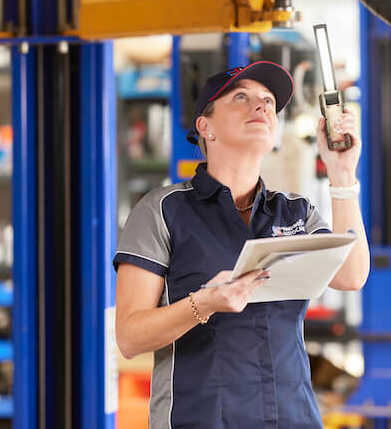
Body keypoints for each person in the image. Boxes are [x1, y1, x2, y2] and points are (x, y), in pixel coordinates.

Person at [114, 60, 370, 429]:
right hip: (200, 419)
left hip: (291, 418)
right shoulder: (163, 210)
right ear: (206, 126)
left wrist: (342, 172)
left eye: (268, 101)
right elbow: (130, 337)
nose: (262, 105)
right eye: (241, 96)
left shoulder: (293, 211)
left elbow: (352, 276)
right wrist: (205, 303)